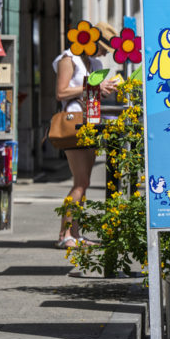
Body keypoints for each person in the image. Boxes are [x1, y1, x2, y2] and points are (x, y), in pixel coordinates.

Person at [54, 22, 119, 248]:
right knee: (80, 182)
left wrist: (104, 88)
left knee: (84, 181)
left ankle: (74, 233)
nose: (104, 53)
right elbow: (61, 92)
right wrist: (91, 87)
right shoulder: (68, 59)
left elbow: (91, 93)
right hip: (74, 122)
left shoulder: (94, 63)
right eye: (101, 47)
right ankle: (65, 235)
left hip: (91, 121)